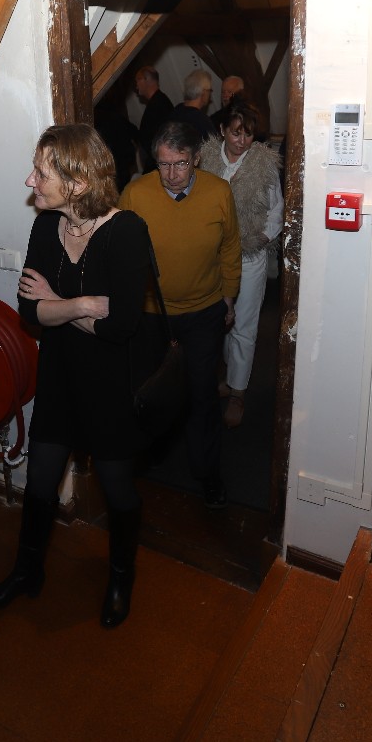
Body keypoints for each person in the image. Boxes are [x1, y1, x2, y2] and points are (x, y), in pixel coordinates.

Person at [0, 125, 154, 628]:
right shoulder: (45, 229)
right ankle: (26, 572)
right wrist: (80, 305)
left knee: (118, 490)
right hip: (59, 376)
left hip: (110, 386)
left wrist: (53, 302)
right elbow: (29, 313)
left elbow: (120, 326)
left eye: (41, 173)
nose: (30, 181)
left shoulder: (127, 232)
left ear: (77, 183)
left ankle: (121, 577)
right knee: (40, 480)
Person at [118, 121, 241, 508]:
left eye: (181, 163)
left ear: (197, 159)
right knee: (151, 392)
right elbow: (119, 253)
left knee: (202, 395)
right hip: (150, 314)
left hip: (204, 311)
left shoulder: (219, 192)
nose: (171, 174)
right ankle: (148, 457)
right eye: (164, 164)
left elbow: (230, 247)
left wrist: (229, 296)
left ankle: (208, 474)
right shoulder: (135, 194)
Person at [199, 101, 284, 428]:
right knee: (217, 321)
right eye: (236, 133)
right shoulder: (206, 159)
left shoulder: (263, 164)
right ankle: (226, 377)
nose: (242, 141)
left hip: (249, 256)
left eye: (248, 134)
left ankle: (238, 392)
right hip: (213, 257)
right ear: (222, 130)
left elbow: (277, 209)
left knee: (244, 326)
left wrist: (262, 237)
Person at [92, 90, 140, 191]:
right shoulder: (116, 116)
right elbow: (135, 132)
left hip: (111, 168)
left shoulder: (97, 121)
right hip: (121, 165)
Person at [133, 65, 172, 174]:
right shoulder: (157, 101)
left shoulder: (159, 104)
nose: (136, 85)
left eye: (138, 80)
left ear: (147, 79)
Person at [170, 69, 216, 143]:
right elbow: (214, 147)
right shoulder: (201, 120)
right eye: (210, 90)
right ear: (204, 92)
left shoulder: (176, 110)